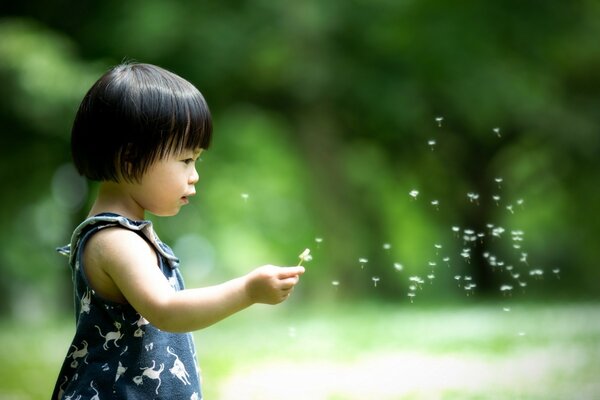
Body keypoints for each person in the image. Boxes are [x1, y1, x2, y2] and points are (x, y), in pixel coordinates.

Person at [51, 62, 305, 399]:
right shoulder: (115, 241)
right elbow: (166, 310)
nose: (195, 174)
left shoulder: (125, 235)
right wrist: (247, 291)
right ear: (130, 159)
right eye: (186, 160)